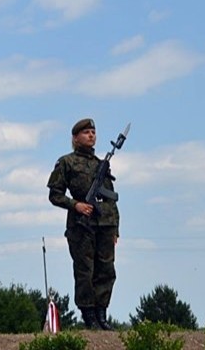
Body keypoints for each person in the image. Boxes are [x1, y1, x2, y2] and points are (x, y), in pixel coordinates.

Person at [47, 118, 119, 330]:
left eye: (93, 132)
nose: (91, 135)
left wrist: (115, 228)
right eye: (86, 132)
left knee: (106, 270)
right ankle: (89, 316)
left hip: (104, 223)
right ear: (75, 137)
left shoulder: (101, 165)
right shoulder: (66, 163)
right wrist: (75, 205)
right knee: (85, 271)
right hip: (81, 225)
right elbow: (55, 194)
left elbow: (111, 198)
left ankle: (102, 314)